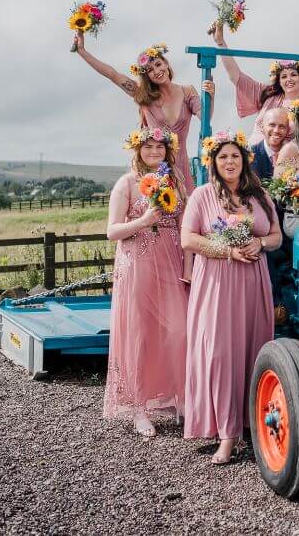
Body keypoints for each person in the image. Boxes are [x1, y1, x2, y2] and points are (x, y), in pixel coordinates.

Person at [180, 131, 282, 464]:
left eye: (235, 156)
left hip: (253, 282)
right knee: (220, 355)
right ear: (214, 162)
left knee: (253, 352)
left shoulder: (261, 195)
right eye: (223, 157)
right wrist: (225, 250)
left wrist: (260, 244)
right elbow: (188, 239)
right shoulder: (202, 195)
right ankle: (226, 434)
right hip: (216, 283)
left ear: (244, 160)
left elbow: (276, 236)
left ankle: (253, 426)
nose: (229, 162)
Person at [102, 126, 189, 437]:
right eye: (148, 147)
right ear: (138, 150)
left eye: (160, 148)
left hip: (171, 262)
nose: (154, 153)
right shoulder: (126, 183)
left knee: (179, 331)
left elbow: (185, 227)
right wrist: (142, 222)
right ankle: (139, 407)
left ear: (168, 152)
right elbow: (112, 231)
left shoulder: (176, 181)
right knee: (141, 334)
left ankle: (180, 399)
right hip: (137, 264)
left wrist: (188, 267)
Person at [73, 32, 213, 190]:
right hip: (153, 166)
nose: (156, 71)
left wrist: (210, 96)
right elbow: (112, 74)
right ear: (147, 77)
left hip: (180, 167)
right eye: (150, 70)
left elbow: (206, 119)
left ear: (166, 63)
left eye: (158, 64)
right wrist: (82, 52)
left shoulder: (187, 91)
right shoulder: (144, 95)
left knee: (185, 210)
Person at [211, 23, 299, 145]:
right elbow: (235, 76)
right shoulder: (268, 94)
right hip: (252, 155)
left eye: (293, 75)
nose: (289, 79)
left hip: (285, 161)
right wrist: (220, 42)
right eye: (284, 77)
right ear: (279, 82)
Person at [250, 107, 290, 181]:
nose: (276, 130)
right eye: (272, 125)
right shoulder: (250, 154)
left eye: (282, 126)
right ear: (262, 127)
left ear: (288, 130)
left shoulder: (293, 154)